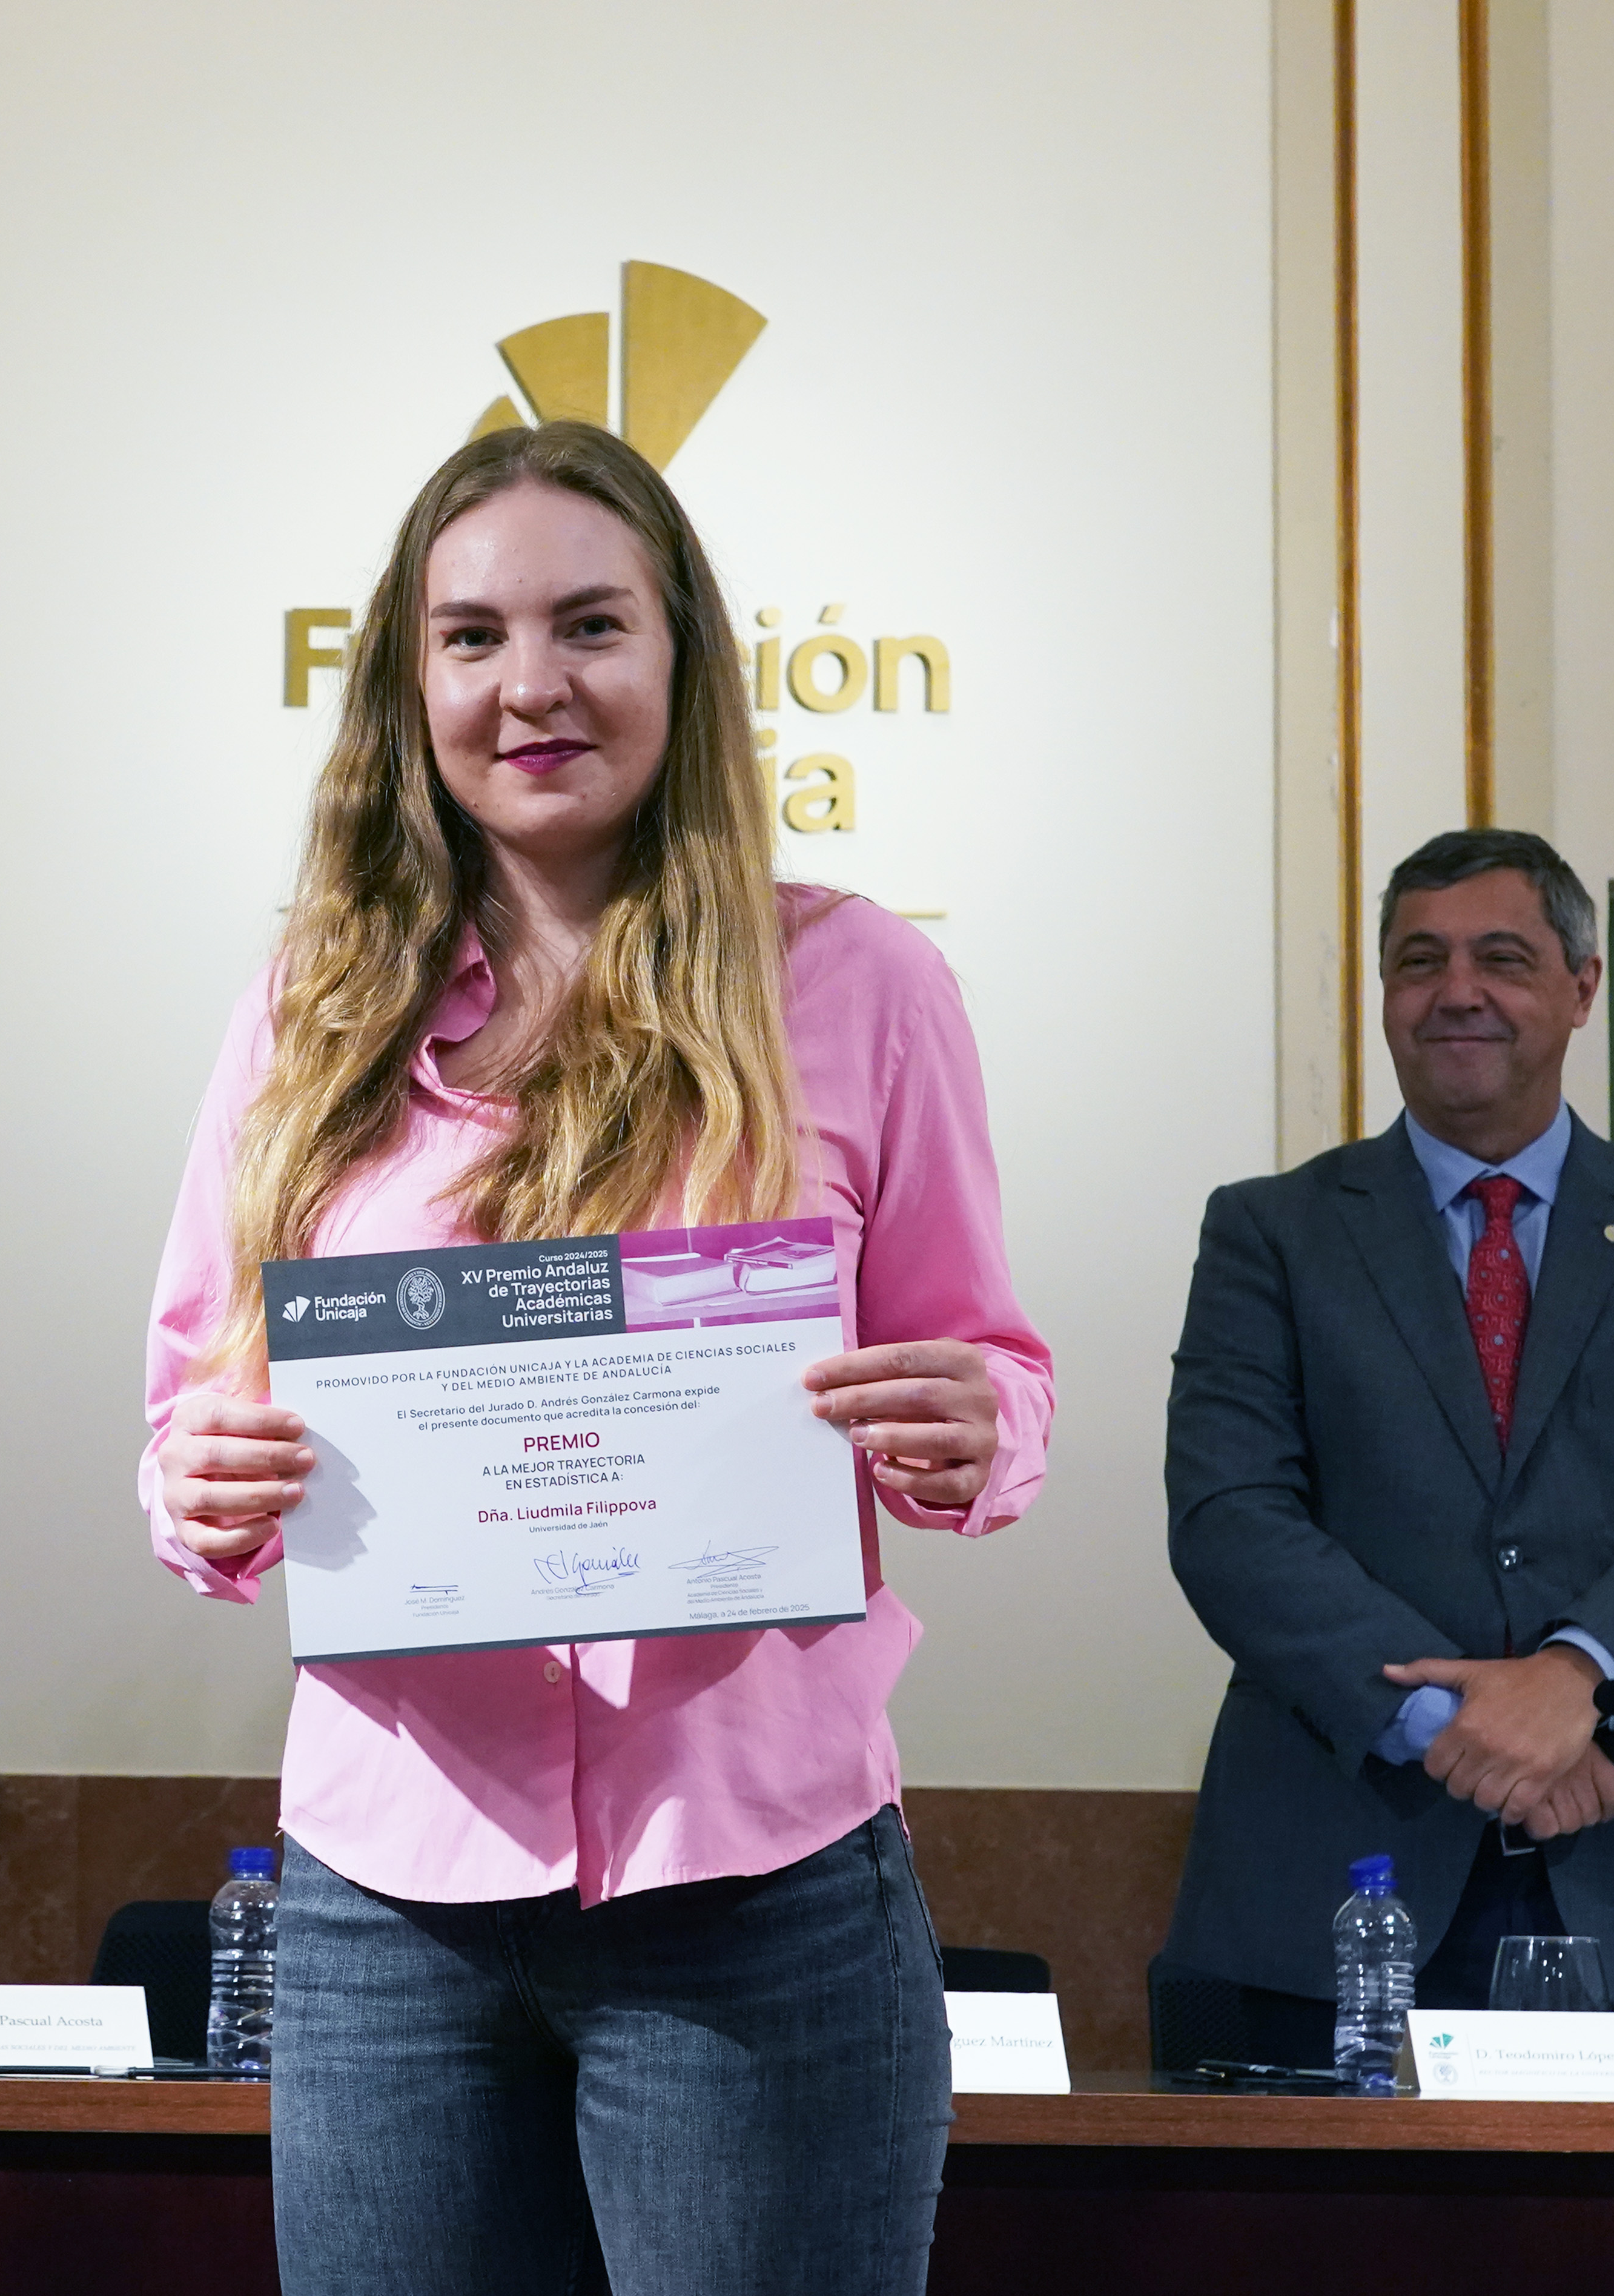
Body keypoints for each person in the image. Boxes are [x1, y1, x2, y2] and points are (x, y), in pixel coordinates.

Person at [141, 422, 1054, 2295]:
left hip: (754, 1885)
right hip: (389, 1903)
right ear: (408, 686)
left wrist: (974, 1426)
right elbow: (189, 1412)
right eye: (471, 637)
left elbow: (986, 1362)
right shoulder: (304, 1014)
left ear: (680, 658)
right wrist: (202, 1485)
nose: (530, 685)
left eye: (588, 625)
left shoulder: (859, 984)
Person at [1162, 827, 1614, 2065]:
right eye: (1420, 961)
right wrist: (1452, 1727)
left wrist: (1579, 1679)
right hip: (1345, 1869)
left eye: (1502, 959)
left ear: (1582, 986)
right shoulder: (1269, 1233)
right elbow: (1230, 1520)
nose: (1457, 991)